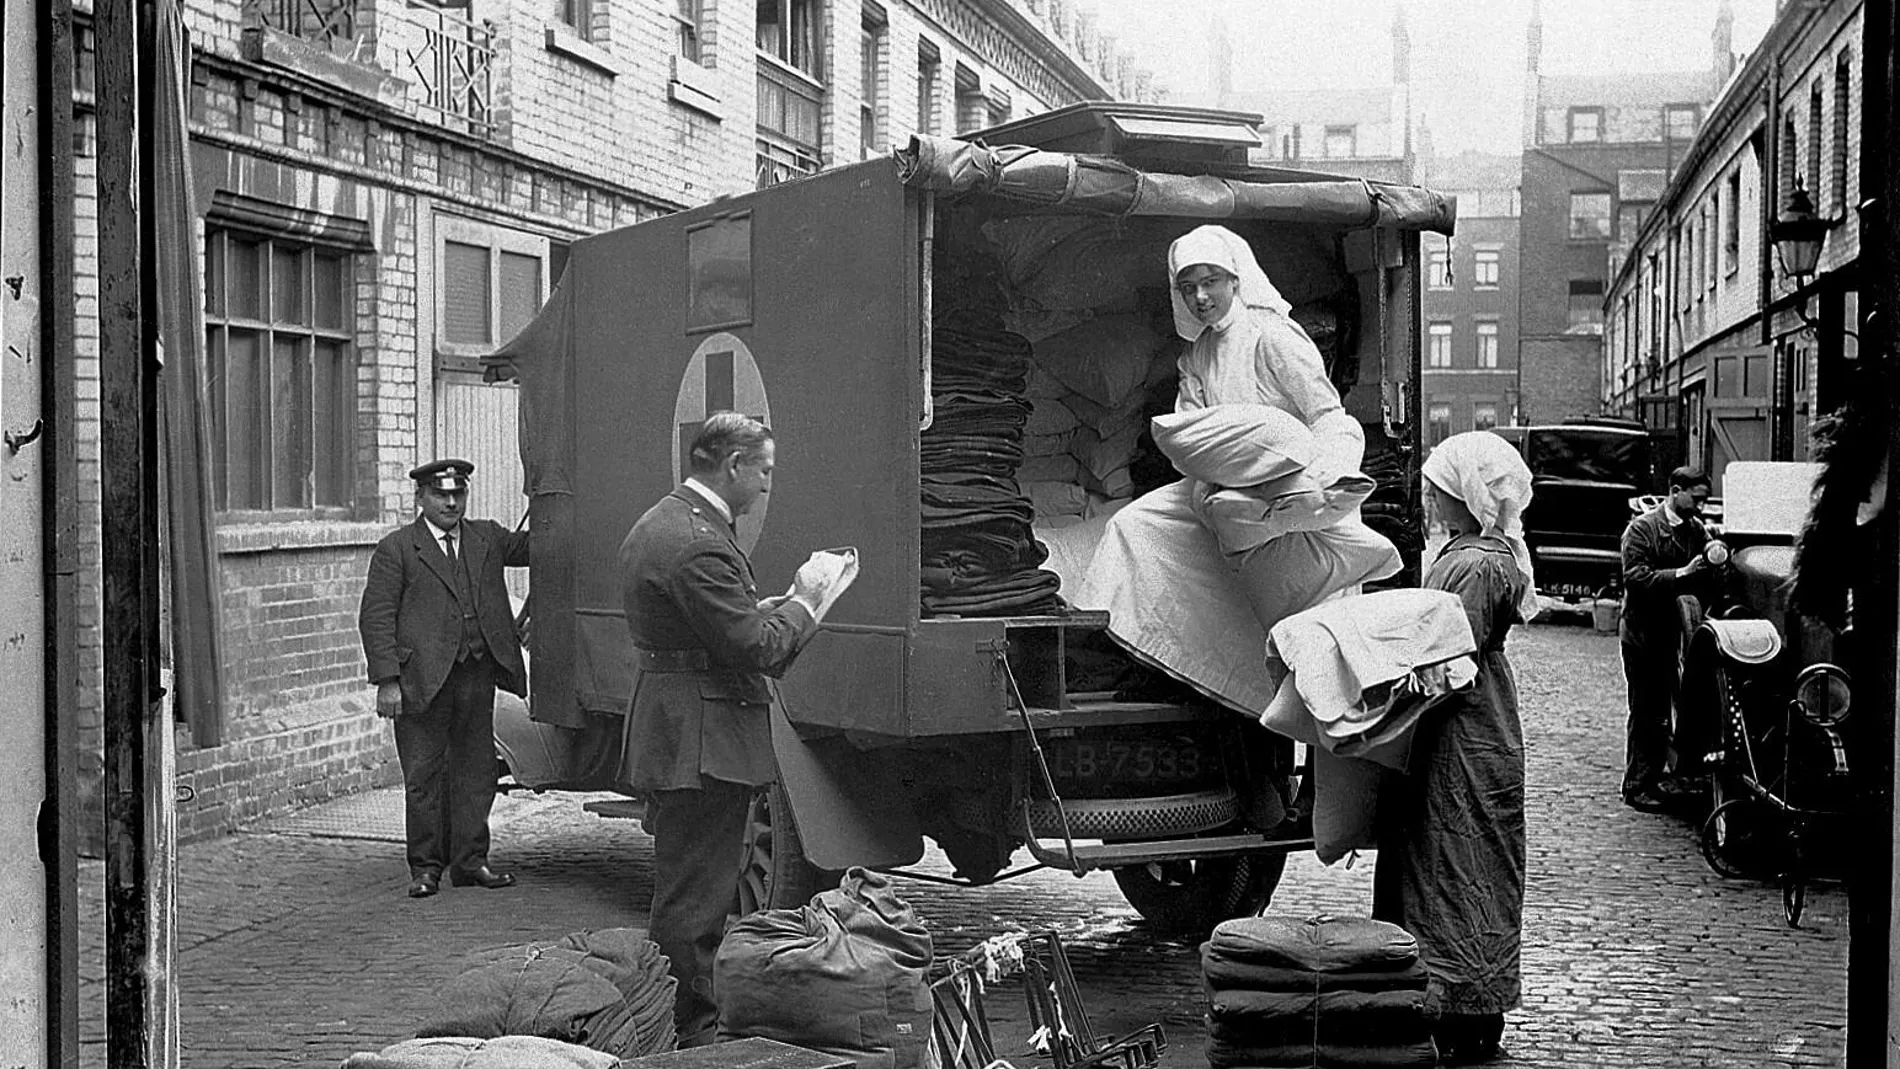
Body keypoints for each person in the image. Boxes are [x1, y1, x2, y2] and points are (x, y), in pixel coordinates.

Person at [1074, 224, 1399, 712]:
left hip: (1286, 482)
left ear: (1235, 279)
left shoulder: (1273, 336)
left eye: (1210, 282)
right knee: (1134, 526)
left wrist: (1327, 476)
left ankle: (1260, 688)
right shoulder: (1196, 354)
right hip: (1221, 484)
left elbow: (1327, 414)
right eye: (1188, 288)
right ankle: (1163, 662)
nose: (1201, 297)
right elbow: (1189, 430)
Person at [616, 412, 832, 1048]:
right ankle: (689, 1032)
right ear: (733, 465)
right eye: (763, 470)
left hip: (681, 728)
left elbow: (703, 624)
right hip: (702, 738)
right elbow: (759, 650)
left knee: (689, 889)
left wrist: (755, 611)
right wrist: (808, 600)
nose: (767, 483)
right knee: (698, 899)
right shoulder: (699, 542)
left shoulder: (667, 521)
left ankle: (677, 1019)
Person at [1373, 430, 1537, 1066]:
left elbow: (1449, 653)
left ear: (1466, 494)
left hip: (1462, 728)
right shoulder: (1481, 552)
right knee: (1458, 856)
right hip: (1473, 719)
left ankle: (1459, 1005)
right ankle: (1462, 1004)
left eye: (1440, 491)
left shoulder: (1474, 562)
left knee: (1456, 860)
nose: (1433, 501)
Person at [358, 458, 531, 899]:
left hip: (476, 676)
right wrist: (387, 681)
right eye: (441, 495)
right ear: (421, 498)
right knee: (424, 777)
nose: (451, 503)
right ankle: (426, 868)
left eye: (458, 494)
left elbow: (540, 545)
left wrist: (558, 499)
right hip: (421, 683)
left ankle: (470, 863)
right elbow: (376, 617)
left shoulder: (487, 538)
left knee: (477, 774)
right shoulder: (398, 549)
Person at [1619, 465, 1719, 812]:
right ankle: (1636, 786)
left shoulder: (1695, 529)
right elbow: (1635, 578)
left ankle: (1656, 778)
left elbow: (1710, 563)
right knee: (1646, 710)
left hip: (1672, 635)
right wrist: (1682, 573)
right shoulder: (1642, 530)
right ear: (1676, 491)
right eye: (1696, 498)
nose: (1700, 506)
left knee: (1663, 710)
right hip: (1643, 633)